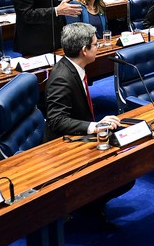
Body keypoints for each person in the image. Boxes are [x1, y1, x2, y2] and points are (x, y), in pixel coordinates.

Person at [44, 22, 132, 230]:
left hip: (78, 133)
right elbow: (57, 120)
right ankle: (86, 206)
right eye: (95, 44)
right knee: (124, 174)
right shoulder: (62, 78)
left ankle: (89, 204)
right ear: (84, 50)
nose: (98, 47)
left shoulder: (74, 67)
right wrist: (94, 126)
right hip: (62, 146)